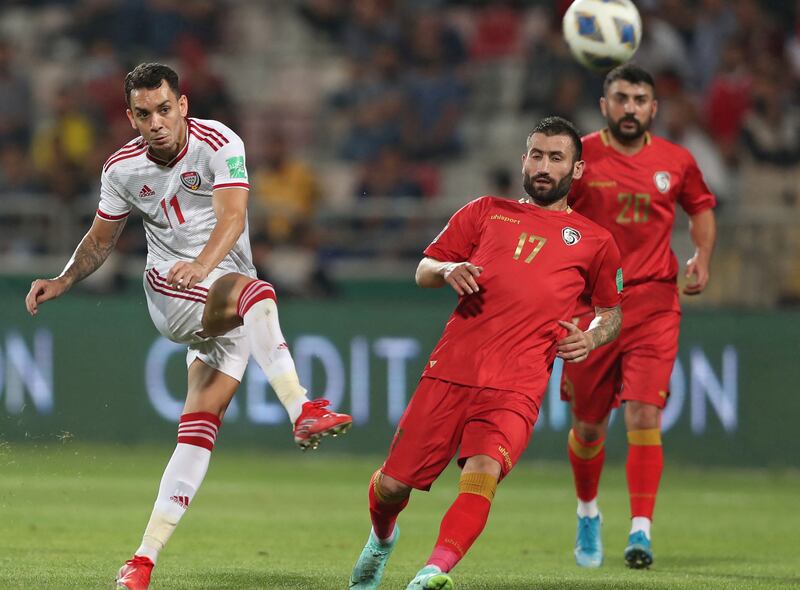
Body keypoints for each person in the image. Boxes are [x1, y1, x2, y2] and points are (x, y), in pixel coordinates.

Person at [23, 63, 353, 590]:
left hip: (219, 288)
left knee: (198, 429)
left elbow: (233, 218)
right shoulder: (121, 171)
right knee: (258, 293)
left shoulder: (220, 143)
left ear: (183, 105)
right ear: (130, 117)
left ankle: (141, 560)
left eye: (163, 109)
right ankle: (302, 409)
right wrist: (63, 280)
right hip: (172, 293)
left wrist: (205, 264)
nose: (155, 122)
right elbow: (101, 239)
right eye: (142, 113)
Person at [348, 116, 624, 590]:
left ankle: (432, 573)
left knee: (482, 473)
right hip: (451, 370)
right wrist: (448, 267)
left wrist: (593, 337)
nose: (543, 166)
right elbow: (424, 269)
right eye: (536, 155)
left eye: (556, 158)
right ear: (523, 160)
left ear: (576, 171)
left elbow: (611, 312)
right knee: (393, 485)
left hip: (516, 384)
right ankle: (381, 538)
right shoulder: (484, 211)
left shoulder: (596, 241)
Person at [560, 63, 717, 570]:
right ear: (604, 105)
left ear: (654, 107)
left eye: (640, 99)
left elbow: (701, 208)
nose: (631, 107)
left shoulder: (678, 160)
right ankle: (588, 512)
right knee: (588, 428)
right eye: (622, 98)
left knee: (645, 412)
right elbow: (552, 211)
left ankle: (641, 532)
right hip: (591, 307)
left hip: (654, 302)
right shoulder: (580, 158)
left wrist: (703, 257)